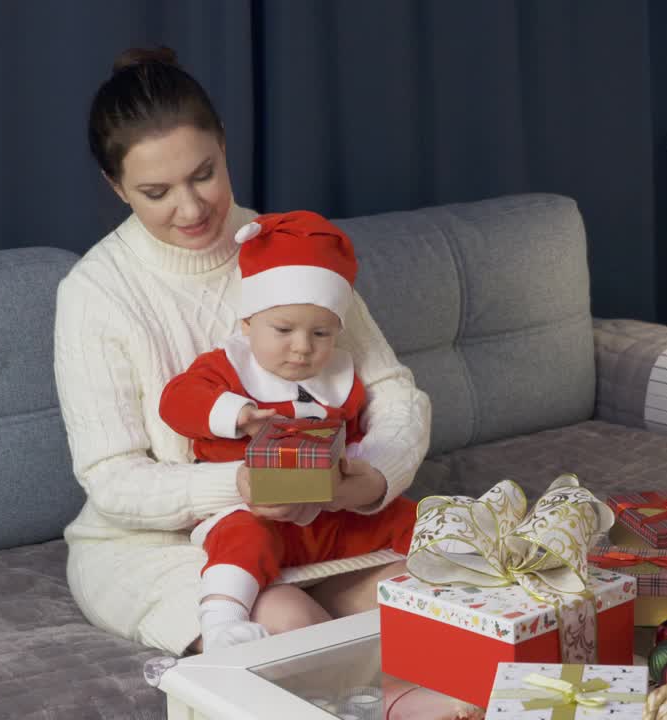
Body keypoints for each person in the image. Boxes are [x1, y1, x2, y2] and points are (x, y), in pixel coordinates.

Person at [55, 46, 430, 656]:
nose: (192, 207)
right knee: (286, 630)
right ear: (116, 186)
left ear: (224, 144)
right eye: (156, 191)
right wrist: (244, 484)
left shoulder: (291, 247)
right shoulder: (96, 294)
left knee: (423, 605)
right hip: (157, 545)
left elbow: (392, 390)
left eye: (203, 174)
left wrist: (377, 475)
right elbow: (111, 478)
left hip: (321, 523)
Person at [158, 210, 417, 651]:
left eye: (321, 333)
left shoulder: (338, 376)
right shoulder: (225, 368)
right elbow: (176, 402)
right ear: (248, 324)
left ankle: (473, 557)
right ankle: (223, 620)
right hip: (259, 511)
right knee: (241, 540)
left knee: (407, 513)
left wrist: (353, 469)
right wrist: (236, 413)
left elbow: (357, 429)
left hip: (328, 510)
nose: (302, 347)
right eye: (283, 330)